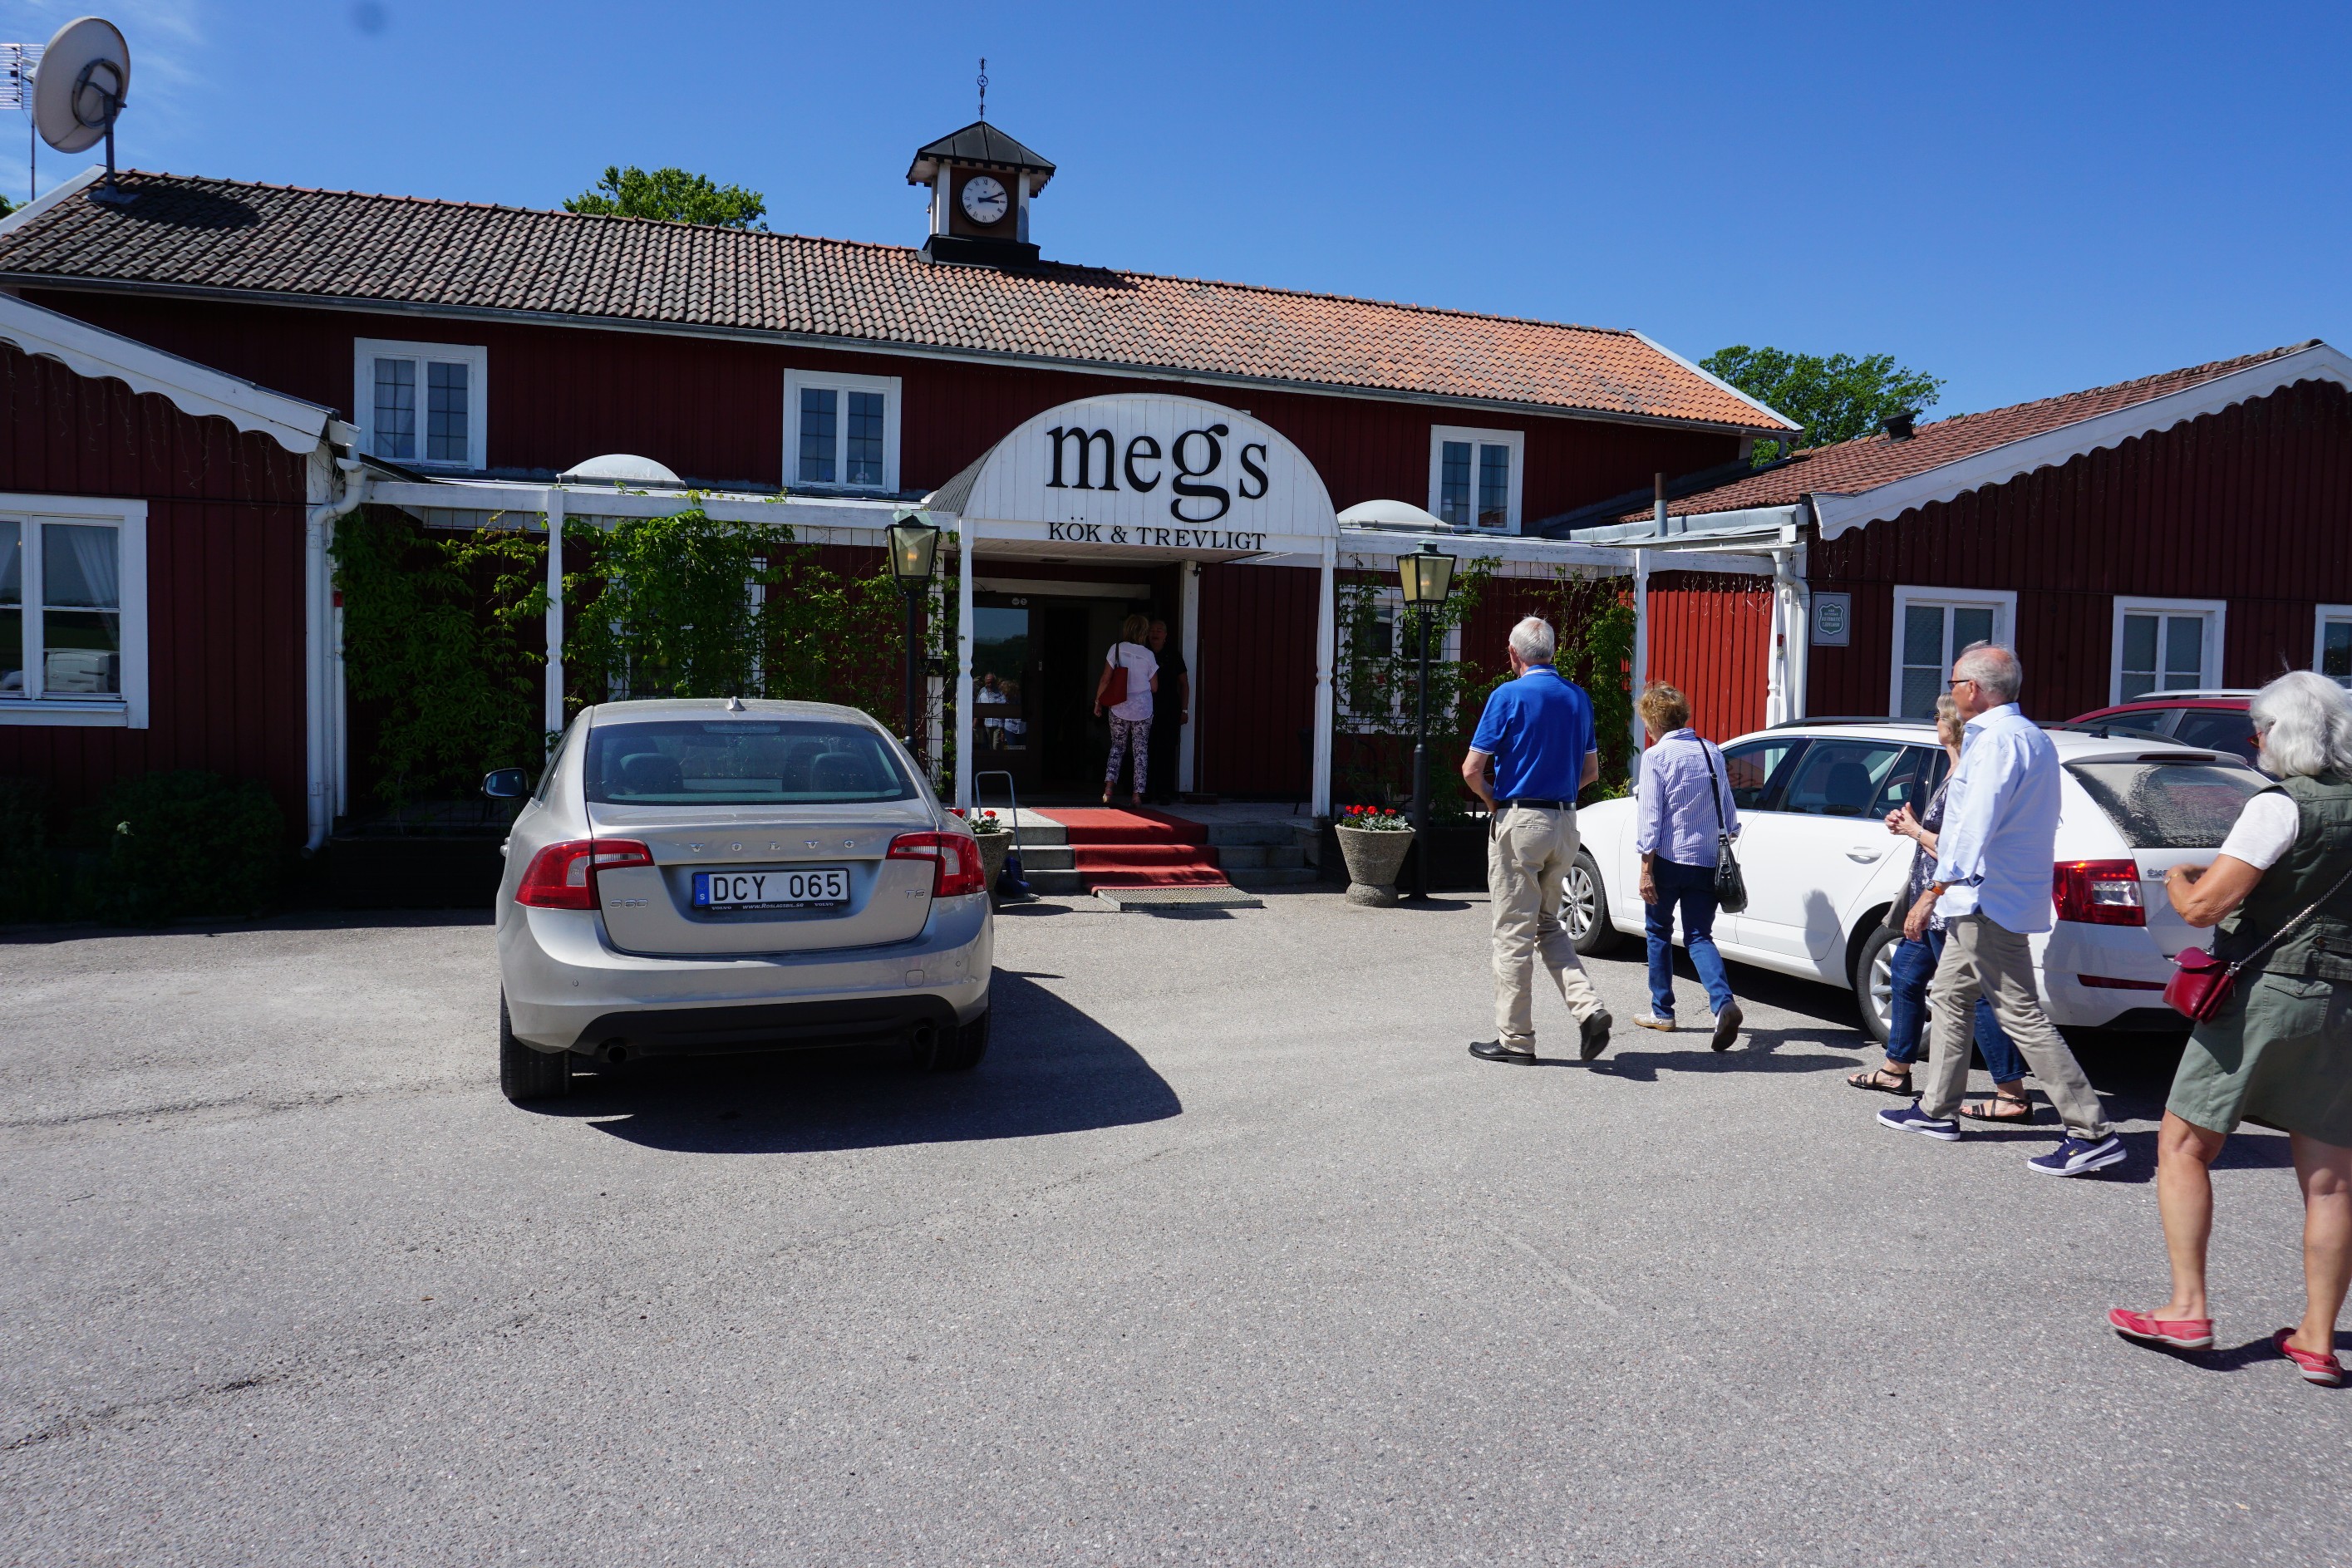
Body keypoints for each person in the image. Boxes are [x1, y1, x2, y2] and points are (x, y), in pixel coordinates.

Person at [2109, 671, 2352, 1387]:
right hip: (2344, 1000)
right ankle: (2317, 1339)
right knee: (2332, 1181)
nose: (2255, 742)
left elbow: (2204, 907)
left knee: (2183, 1144)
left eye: (2259, 731)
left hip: (2268, 993)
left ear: (2279, 735)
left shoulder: (2279, 806)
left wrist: (2179, 877)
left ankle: (2188, 1307)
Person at [1876, 643, 2123, 1176]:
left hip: (1986, 898)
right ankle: (1936, 1111)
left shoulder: (1994, 742)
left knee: (2019, 1012)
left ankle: (2091, 1131)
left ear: (1974, 689)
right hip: (1997, 895)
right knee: (1948, 994)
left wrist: (1933, 892)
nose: (1950, 692)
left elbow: (1973, 828)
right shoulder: (2030, 737)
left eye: (1954, 683)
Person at [1847, 692, 2035, 1119]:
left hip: (1948, 901)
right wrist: (1909, 827)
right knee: (1906, 975)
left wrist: (1914, 831)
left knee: (1972, 996)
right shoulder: (1953, 772)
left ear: (1953, 725)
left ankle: (2011, 1093)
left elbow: (1961, 850)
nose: (1934, 721)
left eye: (1938, 715)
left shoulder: (1968, 777)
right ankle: (1896, 1069)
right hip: (1929, 899)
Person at [1461, 616, 1611, 1065]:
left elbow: (1471, 770)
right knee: (1546, 923)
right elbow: (1590, 772)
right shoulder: (1577, 697)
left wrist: (1495, 801)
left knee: (1512, 933)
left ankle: (1516, 1039)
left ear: (1514, 654)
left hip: (1521, 820)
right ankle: (1589, 1009)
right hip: (1564, 823)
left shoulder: (1508, 695)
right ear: (1552, 652)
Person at [1628, 682, 1745, 1051]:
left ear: (1654, 721)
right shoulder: (1711, 751)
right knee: (1698, 936)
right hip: (1707, 860)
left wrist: (1645, 869)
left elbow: (1650, 818)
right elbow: (1730, 817)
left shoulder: (1656, 757)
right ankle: (1723, 1003)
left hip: (1667, 859)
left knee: (1658, 932)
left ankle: (1662, 1012)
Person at [1095, 612, 1159, 807]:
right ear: (1144, 632)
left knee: (1117, 747)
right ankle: (1137, 795)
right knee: (1141, 751)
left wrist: (1098, 701)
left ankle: (1108, 789)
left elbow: (1106, 678)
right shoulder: (1148, 655)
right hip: (1143, 709)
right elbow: (1155, 687)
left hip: (1119, 706)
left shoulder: (1116, 649)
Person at [1145, 617, 1189, 805]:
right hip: (1146, 709)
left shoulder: (1173, 655)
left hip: (1170, 709)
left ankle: (1164, 791)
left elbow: (1184, 684)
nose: (1155, 633)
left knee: (1167, 750)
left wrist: (1184, 710)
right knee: (1147, 749)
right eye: (1152, 630)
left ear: (1165, 635)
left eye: (1159, 630)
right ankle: (1146, 791)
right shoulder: (1143, 653)